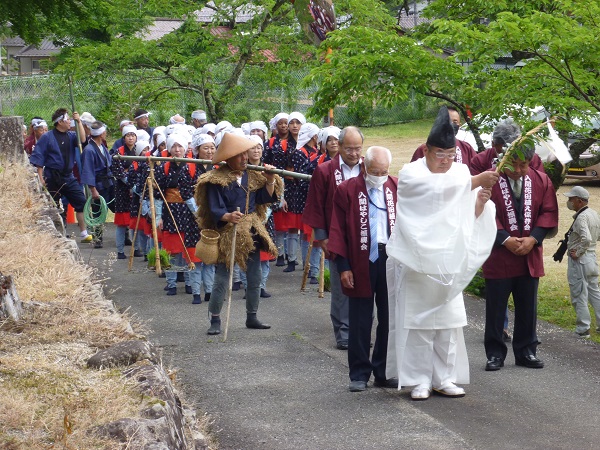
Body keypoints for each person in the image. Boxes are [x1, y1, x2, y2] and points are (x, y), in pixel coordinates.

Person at [385, 106, 499, 400]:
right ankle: (419, 379)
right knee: (419, 325)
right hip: (417, 260)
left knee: (447, 325)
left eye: (451, 155)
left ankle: (444, 377)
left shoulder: (460, 173)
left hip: (448, 260)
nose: (447, 161)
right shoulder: (411, 173)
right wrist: (476, 182)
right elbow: (434, 191)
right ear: (426, 150)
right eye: (440, 155)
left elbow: (465, 216)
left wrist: (480, 201)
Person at [194, 133, 283, 335]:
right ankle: (215, 320)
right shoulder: (215, 179)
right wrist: (227, 216)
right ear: (228, 157)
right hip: (228, 232)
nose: (244, 158)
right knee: (222, 278)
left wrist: (269, 181)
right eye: (239, 155)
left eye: (246, 154)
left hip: (251, 231)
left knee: (254, 276)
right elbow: (214, 208)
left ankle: (252, 316)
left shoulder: (252, 175)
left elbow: (263, 199)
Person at [483, 141, 558, 372]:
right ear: (504, 161)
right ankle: (495, 354)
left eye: (523, 165)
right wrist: (505, 239)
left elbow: (548, 211)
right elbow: (484, 211)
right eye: (513, 165)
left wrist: (533, 238)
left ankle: (527, 351)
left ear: (530, 162)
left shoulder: (541, 180)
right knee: (496, 309)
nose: (517, 170)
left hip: (529, 254)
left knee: (528, 308)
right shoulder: (491, 180)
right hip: (499, 253)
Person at [328, 146, 399, 392]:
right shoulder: (347, 190)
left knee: (389, 318)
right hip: (360, 260)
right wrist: (343, 266)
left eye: (384, 171)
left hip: (390, 259)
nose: (380, 176)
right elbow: (337, 231)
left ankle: (383, 370)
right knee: (360, 319)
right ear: (365, 167)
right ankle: (358, 373)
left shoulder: (395, 187)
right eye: (375, 171)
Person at [302, 126, 365, 350]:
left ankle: (361, 331)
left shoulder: (367, 168)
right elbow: (316, 206)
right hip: (336, 236)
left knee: (365, 286)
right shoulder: (325, 170)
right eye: (349, 148)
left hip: (364, 235)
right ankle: (343, 332)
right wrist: (322, 237)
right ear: (339, 146)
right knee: (341, 286)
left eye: (358, 148)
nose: (354, 153)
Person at [30, 108, 91, 242]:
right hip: (52, 176)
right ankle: (59, 234)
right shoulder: (47, 137)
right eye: (67, 119)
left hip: (68, 176)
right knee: (55, 206)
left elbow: (82, 138)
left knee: (81, 201)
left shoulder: (70, 136)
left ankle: (84, 232)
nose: (69, 122)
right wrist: (40, 178)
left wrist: (79, 122)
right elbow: (39, 158)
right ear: (60, 122)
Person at [154, 134, 202, 300]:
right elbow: (158, 194)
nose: (177, 149)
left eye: (180, 146)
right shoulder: (163, 168)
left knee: (187, 249)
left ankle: (189, 282)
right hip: (170, 211)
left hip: (189, 212)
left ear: (186, 148)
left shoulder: (193, 166)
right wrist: (158, 216)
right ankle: (172, 282)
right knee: (171, 249)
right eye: (173, 146)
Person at [562, 186, 600, 338]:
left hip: (581, 260)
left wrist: (577, 252)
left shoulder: (582, 217)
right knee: (594, 292)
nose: (569, 202)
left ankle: (583, 328)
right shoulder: (594, 214)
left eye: (571, 199)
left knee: (579, 293)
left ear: (579, 201)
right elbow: (596, 237)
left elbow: (587, 238)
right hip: (592, 258)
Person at [80, 121, 115, 249]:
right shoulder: (89, 150)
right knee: (97, 212)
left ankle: (126, 234)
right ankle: (98, 238)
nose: (106, 133)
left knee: (117, 206)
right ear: (101, 134)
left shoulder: (102, 146)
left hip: (109, 181)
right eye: (105, 132)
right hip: (98, 185)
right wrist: (93, 190)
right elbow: (88, 171)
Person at [470, 118, 545, 176]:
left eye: (511, 149)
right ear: (493, 144)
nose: (506, 154)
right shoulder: (479, 161)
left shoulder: (530, 158)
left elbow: (539, 184)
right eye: (502, 150)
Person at [411, 106, 476, 168]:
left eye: (455, 122)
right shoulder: (426, 149)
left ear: (459, 125)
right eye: (448, 121)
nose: (451, 125)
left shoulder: (466, 148)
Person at [111, 124, 138, 259]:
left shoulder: (139, 151)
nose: (131, 138)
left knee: (136, 221)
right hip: (123, 191)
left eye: (133, 135)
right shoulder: (118, 153)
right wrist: (131, 183)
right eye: (128, 135)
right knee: (122, 223)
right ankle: (120, 250)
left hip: (136, 190)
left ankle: (136, 248)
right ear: (124, 137)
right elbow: (118, 172)